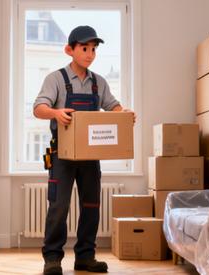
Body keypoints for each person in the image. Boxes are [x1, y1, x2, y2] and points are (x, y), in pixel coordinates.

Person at [32, 25, 136, 275]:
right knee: (59, 206)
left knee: (91, 205)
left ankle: (85, 257)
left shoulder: (98, 83)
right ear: (70, 50)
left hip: (90, 157)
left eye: (93, 49)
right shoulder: (56, 79)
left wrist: (125, 115)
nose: (90, 54)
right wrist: (56, 112)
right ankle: (53, 259)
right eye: (84, 48)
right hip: (62, 157)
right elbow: (38, 108)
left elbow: (114, 107)